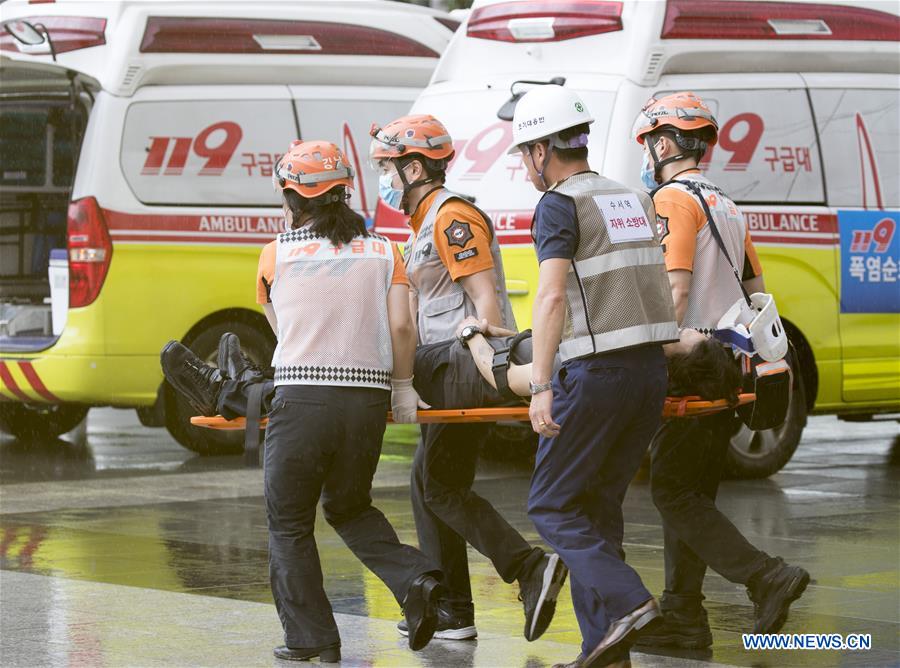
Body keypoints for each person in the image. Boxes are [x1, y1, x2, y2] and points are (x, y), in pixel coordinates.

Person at [161, 139, 447, 663]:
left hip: (300, 402)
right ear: (342, 192)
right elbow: (403, 326)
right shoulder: (385, 251)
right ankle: (418, 580)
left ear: (294, 197)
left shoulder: (276, 255)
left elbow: (281, 331)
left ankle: (311, 640)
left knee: (290, 523)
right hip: (366, 404)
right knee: (350, 506)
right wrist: (403, 388)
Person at [369, 114, 567, 642]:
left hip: (463, 368)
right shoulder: (423, 223)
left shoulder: (452, 218)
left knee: (439, 486)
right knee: (429, 483)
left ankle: (526, 568)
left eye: (387, 167)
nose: (382, 178)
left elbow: (484, 305)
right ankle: (456, 607)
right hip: (443, 366)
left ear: (414, 168)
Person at [509, 84, 680, 668]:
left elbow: (552, 295)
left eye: (522, 154)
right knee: (597, 507)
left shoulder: (559, 204)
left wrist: (540, 386)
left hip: (596, 371)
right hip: (648, 371)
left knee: (551, 506)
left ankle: (629, 602)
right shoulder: (628, 196)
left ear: (540, 150)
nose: (523, 166)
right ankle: (603, 651)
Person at [632, 92, 810, 650]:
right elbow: (756, 292)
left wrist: (651, 348)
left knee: (672, 492)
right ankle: (685, 620)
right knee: (690, 494)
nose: (646, 154)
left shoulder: (671, 200)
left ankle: (765, 576)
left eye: (648, 143)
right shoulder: (726, 204)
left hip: (690, 364)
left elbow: (675, 287)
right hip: (731, 365)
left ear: (663, 143)